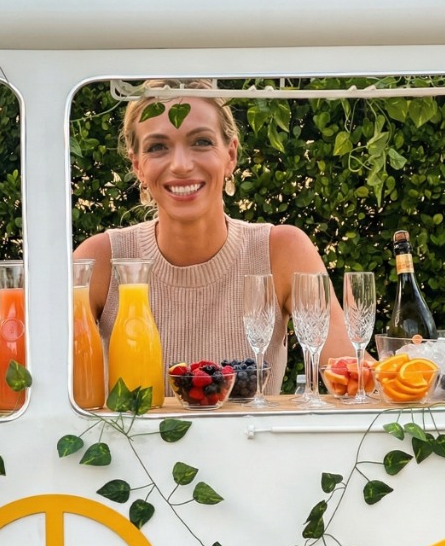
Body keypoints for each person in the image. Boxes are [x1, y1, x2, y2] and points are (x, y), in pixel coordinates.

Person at [73, 78, 354, 393]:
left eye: (201, 142)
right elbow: (47, 377)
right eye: (157, 147)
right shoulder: (101, 259)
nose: (181, 165)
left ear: (230, 155)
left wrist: (398, 368)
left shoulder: (281, 251)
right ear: (138, 165)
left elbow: (352, 376)